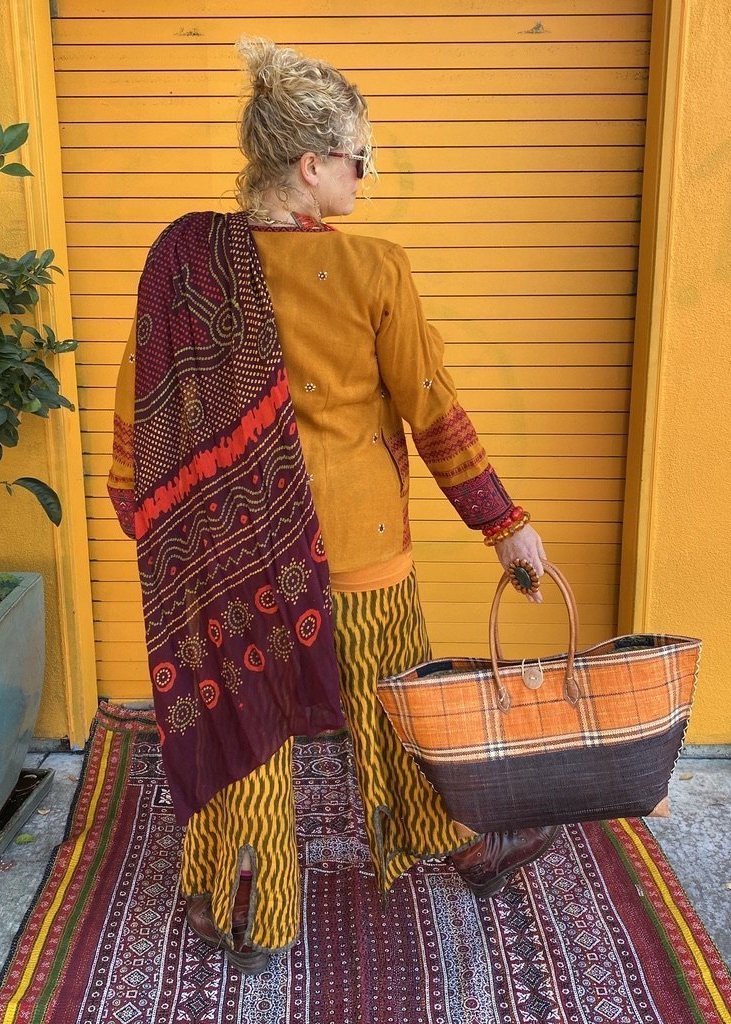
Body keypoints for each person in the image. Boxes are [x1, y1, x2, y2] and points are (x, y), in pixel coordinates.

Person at [107, 36, 558, 977]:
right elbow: (433, 410)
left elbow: (140, 410)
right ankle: (454, 843)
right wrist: (504, 524)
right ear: (310, 167)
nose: (368, 174)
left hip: (233, 557)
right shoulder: (376, 269)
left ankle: (264, 916)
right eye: (358, 158)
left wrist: (162, 525)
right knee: (390, 707)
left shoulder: (189, 268)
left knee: (252, 726)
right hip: (359, 555)